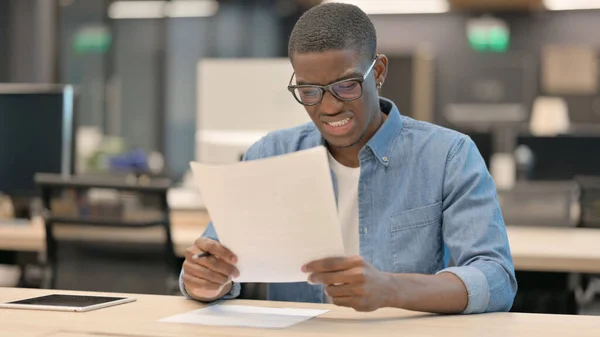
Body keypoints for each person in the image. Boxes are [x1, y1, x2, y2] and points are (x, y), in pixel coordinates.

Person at [180, 2, 517, 314]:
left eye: (346, 85)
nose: (328, 107)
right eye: (309, 91)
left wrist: (391, 289)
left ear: (379, 71)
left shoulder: (448, 156)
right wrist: (205, 280)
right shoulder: (269, 155)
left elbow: (496, 279)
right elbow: (212, 266)